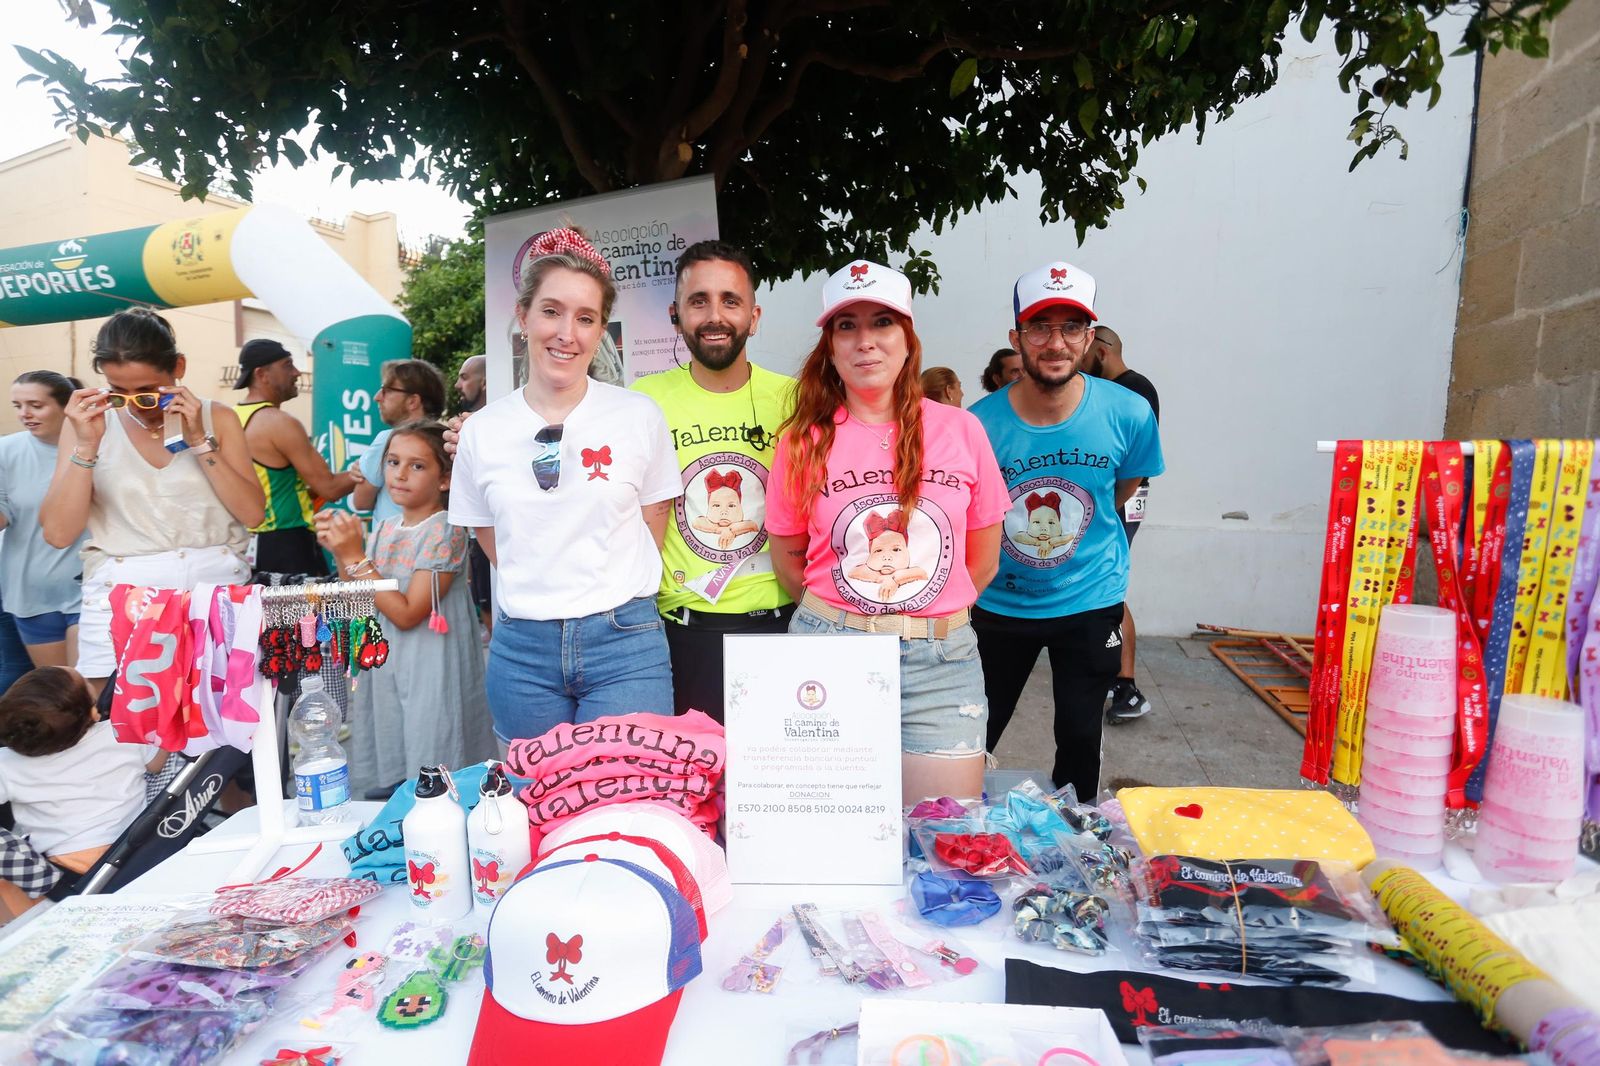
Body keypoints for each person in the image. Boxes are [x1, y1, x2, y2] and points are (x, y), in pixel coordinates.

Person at [766, 260, 1009, 804]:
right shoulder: (803, 441)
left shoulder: (961, 429)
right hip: (830, 653)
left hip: (942, 667)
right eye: (846, 326)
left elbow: (983, 559)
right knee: (833, 833)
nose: (865, 342)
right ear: (830, 346)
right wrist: (845, 618)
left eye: (882, 323)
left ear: (907, 339)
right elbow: (788, 557)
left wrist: (926, 605)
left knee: (943, 837)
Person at [448, 227, 680, 745]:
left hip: (625, 644)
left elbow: (653, 520)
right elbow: (490, 540)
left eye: (585, 318)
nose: (566, 333)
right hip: (521, 651)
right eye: (551, 311)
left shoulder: (638, 416)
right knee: (533, 813)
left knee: (624, 805)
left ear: (601, 331)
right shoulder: (481, 432)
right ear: (524, 315)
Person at [969, 262, 1163, 799]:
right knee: (972, 733)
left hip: (1090, 598)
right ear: (1017, 337)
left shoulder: (1129, 412)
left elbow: (1122, 489)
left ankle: (1077, 853)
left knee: (1080, 736)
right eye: (1039, 326)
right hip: (1001, 604)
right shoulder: (979, 425)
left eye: (1071, 326)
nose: (1056, 342)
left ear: (1090, 337)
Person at [40, 308, 263, 692]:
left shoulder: (217, 417)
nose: (135, 404)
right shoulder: (88, 425)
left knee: (218, 730)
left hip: (213, 593)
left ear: (179, 367)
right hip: (122, 596)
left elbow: (252, 513)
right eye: (117, 393)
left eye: (147, 392)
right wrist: (87, 446)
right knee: (119, 728)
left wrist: (198, 441)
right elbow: (59, 533)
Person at [631, 240, 797, 722]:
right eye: (698, 301)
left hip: (780, 627)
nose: (715, 315)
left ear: (754, 315)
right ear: (675, 314)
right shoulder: (642, 402)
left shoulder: (796, 399)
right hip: (679, 633)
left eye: (731, 300)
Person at [316, 421, 496, 791]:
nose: (400, 474)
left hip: (430, 662)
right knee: (397, 741)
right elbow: (359, 595)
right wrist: (341, 551)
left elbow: (408, 612)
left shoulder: (445, 528)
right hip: (388, 662)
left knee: (433, 741)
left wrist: (354, 555)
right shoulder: (385, 526)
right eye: (393, 462)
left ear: (444, 480)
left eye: (417, 465)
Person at [0, 666, 167, 917]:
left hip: (62, 872)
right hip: (136, 847)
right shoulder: (120, 733)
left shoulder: (7, 764)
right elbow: (156, 765)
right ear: (93, 713)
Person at [233, 339, 360, 578]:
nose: (297, 372)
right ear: (262, 374)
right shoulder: (278, 422)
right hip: (287, 542)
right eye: (287, 365)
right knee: (314, 615)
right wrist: (376, 465)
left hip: (245, 543)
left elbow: (265, 484)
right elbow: (330, 487)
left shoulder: (231, 417)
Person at [1086, 325, 1162, 723]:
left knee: (1111, 587)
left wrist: (1107, 503)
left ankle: (1127, 686)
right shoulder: (1125, 388)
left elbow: (1135, 461)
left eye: (1083, 353)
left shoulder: (1132, 390)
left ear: (1100, 352)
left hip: (1120, 500)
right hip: (1113, 500)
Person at [0, 372, 88, 668]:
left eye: (36, 405)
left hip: (91, 589)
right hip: (32, 592)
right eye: (17, 405)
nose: (25, 414)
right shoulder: (6, 451)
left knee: (87, 690)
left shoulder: (98, 445)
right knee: (59, 693)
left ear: (67, 407)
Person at [351, 359, 447, 526]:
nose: (377, 397)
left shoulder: (388, 439)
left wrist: (365, 467)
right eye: (394, 463)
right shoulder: (447, 439)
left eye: (386, 391)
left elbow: (361, 502)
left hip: (393, 546)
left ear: (413, 401)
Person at [453, 355, 494, 635]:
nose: (457, 384)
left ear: (485, 383)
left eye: (465, 377)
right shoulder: (461, 431)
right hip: (478, 541)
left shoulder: (505, 427)